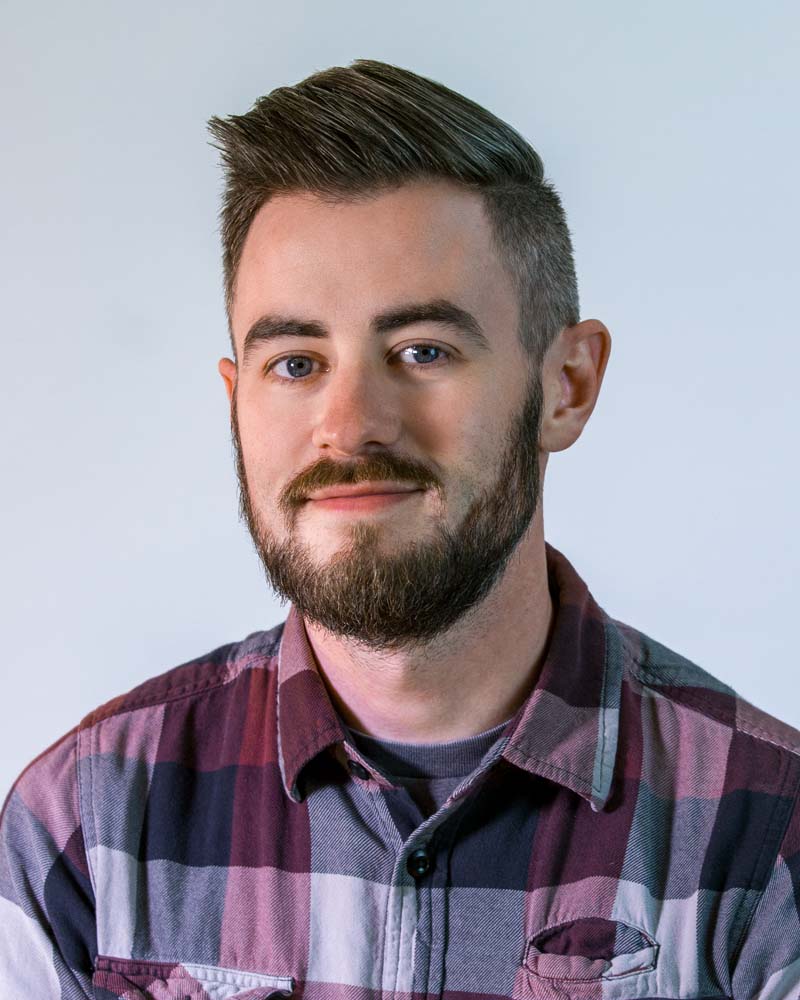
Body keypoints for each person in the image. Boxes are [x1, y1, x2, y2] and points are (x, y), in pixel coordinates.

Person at [1, 58, 798, 1000]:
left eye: (423, 351)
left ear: (567, 385)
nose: (350, 423)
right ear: (236, 399)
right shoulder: (85, 826)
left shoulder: (767, 838)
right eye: (295, 363)